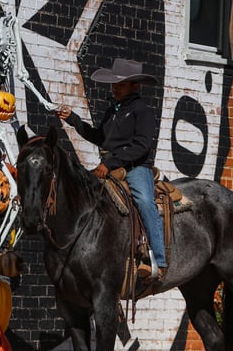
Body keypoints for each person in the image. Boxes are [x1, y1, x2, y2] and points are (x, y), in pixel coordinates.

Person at [56, 58, 166, 279]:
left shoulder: (142, 111)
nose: (115, 88)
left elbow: (142, 146)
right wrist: (74, 120)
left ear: (135, 86)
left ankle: (158, 259)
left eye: (121, 85)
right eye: (114, 84)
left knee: (145, 201)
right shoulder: (112, 110)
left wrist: (110, 163)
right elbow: (101, 138)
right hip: (109, 165)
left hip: (135, 167)